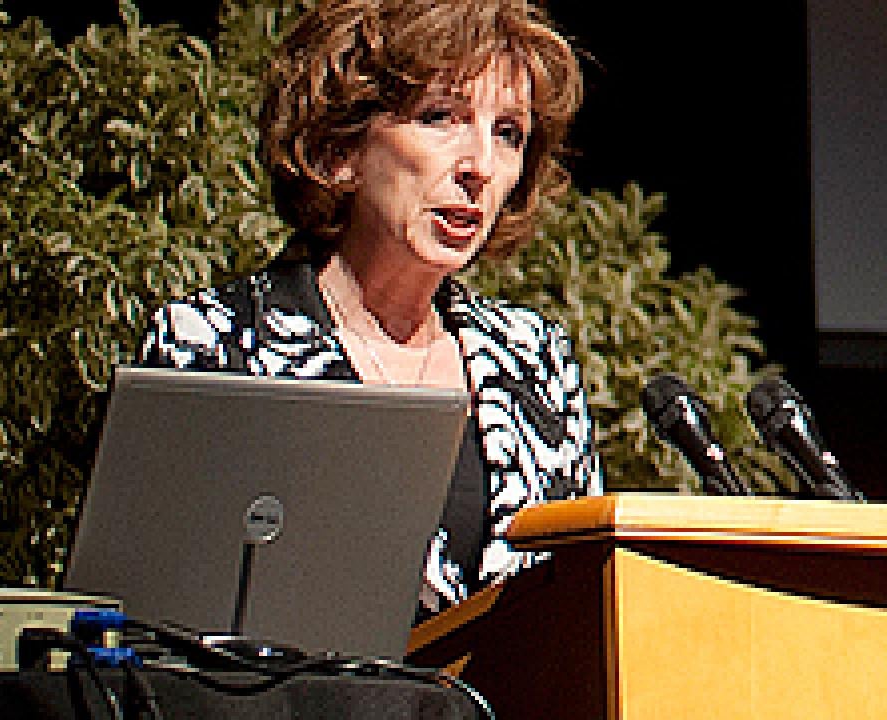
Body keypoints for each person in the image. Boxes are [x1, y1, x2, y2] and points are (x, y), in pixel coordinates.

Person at [136, 0, 602, 621]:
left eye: (507, 133)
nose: (480, 167)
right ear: (340, 149)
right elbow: (154, 619)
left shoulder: (537, 361)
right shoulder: (216, 346)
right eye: (440, 117)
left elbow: (580, 611)